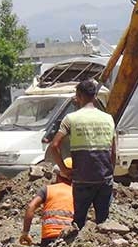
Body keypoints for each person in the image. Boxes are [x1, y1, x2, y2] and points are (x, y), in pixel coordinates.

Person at [50, 79, 116, 229]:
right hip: (104, 178)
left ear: (79, 96)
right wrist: (109, 173)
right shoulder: (108, 119)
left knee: (78, 222)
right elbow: (113, 152)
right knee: (103, 223)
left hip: (82, 179)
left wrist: (64, 170)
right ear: (94, 96)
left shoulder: (71, 119)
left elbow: (54, 146)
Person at [20, 158, 74, 247]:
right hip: (70, 239)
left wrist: (25, 233)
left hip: (48, 238)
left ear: (57, 175)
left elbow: (31, 207)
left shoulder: (47, 189)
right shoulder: (77, 193)